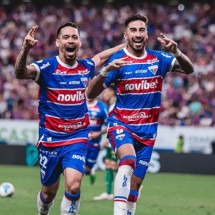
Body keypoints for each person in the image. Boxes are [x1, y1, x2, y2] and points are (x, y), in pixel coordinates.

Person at [86, 14, 194, 215]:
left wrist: (177, 51)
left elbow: (189, 69)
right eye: (133, 30)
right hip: (122, 125)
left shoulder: (159, 58)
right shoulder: (118, 60)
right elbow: (90, 93)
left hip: (148, 133)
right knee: (127, 161)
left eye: (141, 30)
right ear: (125, 34)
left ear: (146, 33)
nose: (137, 34)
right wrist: (104, 71)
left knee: (134, 187)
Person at [14, 22, 124, 215]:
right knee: (48, 193)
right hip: (50, 139)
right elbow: (20, 73)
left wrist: (127, 44)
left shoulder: (85, 67)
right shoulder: (46, 67)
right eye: (66, 37)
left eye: (74, 37)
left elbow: (102, 55)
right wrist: (25, 49)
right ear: (58, 42)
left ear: (80, 42)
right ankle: (43, 212)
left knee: (73, 186)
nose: (70, 40)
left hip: (77, 137)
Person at [93, 87, 118, 200]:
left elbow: (116, 124)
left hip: (117, 138)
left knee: (115, 165)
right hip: (112, 137)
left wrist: (107, 136)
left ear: (112, 92)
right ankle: (108, 193)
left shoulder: (117, 104)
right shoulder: (110, 106)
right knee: (109, 163)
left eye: (106, 91)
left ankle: (130, 187)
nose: (104, 94)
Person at [85, 97, 108, 185]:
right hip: (80, 141)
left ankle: (91, 171)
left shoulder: (102, 107)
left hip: (94, 143)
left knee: (87, 169)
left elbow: (109, 125)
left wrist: (100, 133)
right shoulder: (80, 104)